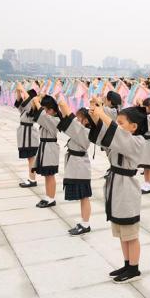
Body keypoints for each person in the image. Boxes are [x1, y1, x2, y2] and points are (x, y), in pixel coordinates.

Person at [88, 100, 148, 284]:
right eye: (118, 122)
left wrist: (104, 116)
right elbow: (108, 136)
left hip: (127, 188)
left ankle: (134, 268)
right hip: (116, 185)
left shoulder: (138, 141)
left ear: (134, 126)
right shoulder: (123, 138)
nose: (118, 125)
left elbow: (118, 134)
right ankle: (127, 263)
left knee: (131, 232)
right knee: (122, 232)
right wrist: (95, 116)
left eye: (122, 122)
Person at [57, 101, 94, 236]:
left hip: (80, 167)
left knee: (84, 196)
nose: (77, 119)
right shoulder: (82, 129)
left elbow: (68, 115)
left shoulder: (84, 131)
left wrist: (61, 101)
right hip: (77, 165)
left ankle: (86, 224)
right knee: (83, 197)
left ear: (85, 120)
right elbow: (68, 119)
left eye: (79, 118)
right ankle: (84, 222)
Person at [30, 95, 61, 208]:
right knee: (46, 175)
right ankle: (48, 196)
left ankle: (51, 198)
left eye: (47, 109)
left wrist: (37, 102)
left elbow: (42, 115)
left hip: (50, 148)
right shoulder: (48, 118)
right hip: (45, 146)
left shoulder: (55, 119)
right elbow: (37, 114)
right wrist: (36, 101)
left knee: (50, 174)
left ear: (52, 109)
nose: (46, 111)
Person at [14, 84, 40, 188]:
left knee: (31, 158)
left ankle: (32, 179)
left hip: (29, 135)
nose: (25, 97)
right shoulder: (26, 107)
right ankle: (31, 178)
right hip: (25, 134)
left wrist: (22, 89)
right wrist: (18, 91)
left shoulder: (32, 107)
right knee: (30, 158)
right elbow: (19, 102)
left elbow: (28, 99)